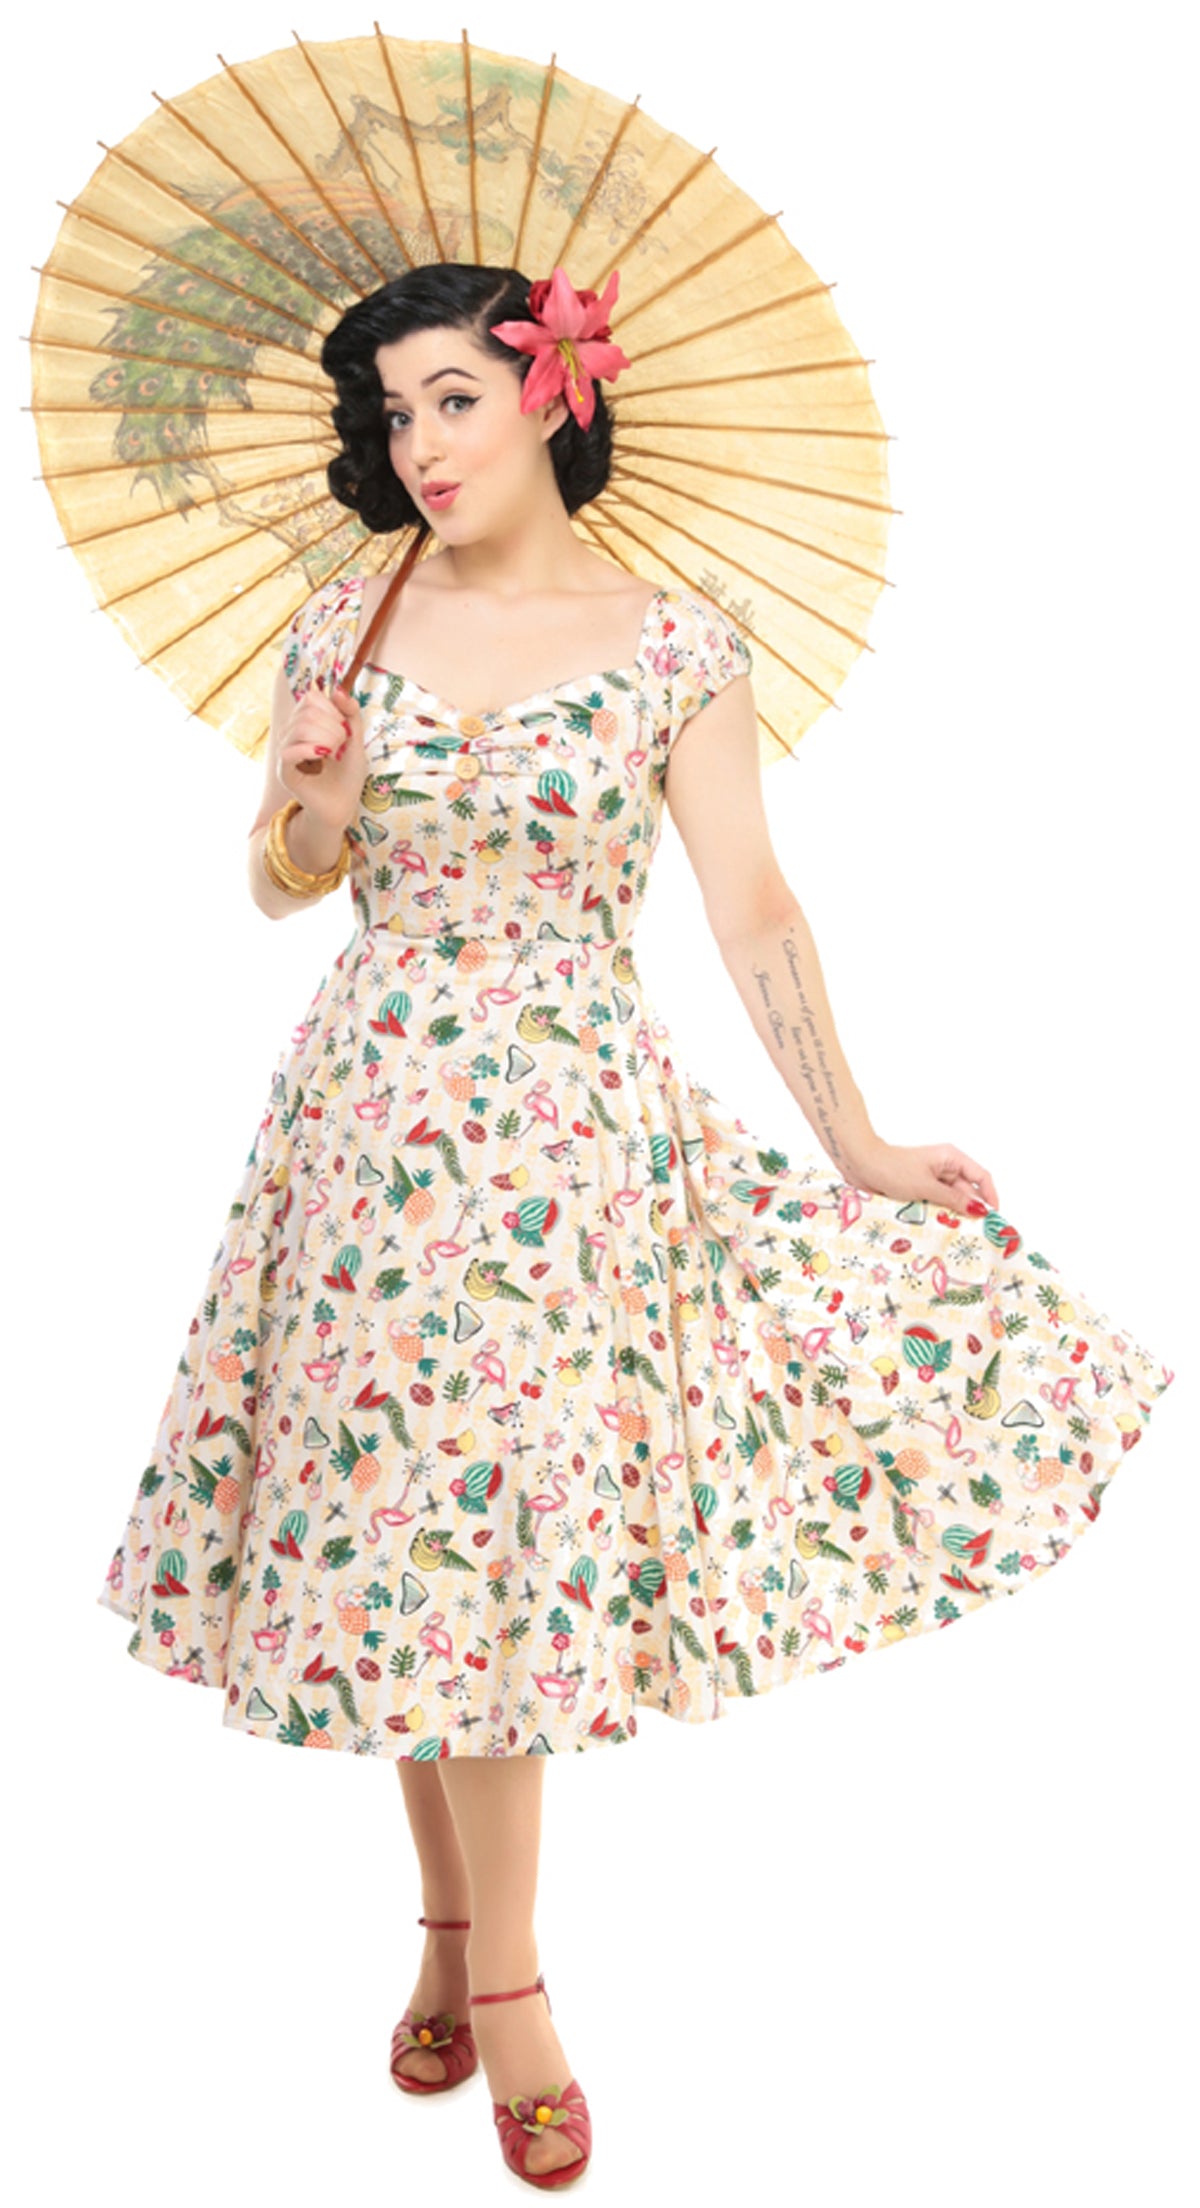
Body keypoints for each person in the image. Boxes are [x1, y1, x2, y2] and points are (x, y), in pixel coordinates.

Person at [102, 261, 1171, 2189]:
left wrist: (857, 1141)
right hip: (370, 1123)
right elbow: (280, 884)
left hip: (573, 1136)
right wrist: (316, 802)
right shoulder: (343, 618)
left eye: (454, 398)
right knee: (400, 1533)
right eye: (396, 413)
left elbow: (754, 906)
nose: (421, 446)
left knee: (493, 1542)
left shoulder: (678, 645)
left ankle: (486, 1973)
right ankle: (472, 1954)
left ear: (551, 395)